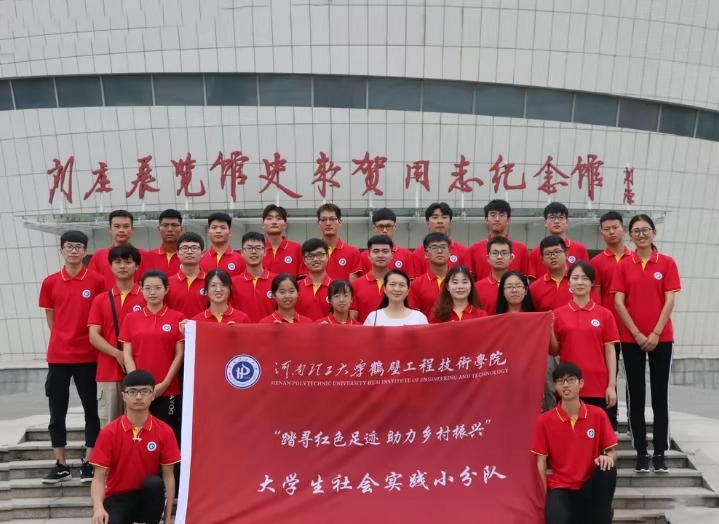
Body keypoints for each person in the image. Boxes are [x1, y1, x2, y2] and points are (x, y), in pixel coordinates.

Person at [611, 215, 681, 473]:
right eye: (636, 231)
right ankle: (641, 451)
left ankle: (660, 452)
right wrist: (638, 334)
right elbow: (619, 303)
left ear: (654, 233)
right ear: (630, 235)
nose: (641, 235)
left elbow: (669, 300)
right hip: (632, 339)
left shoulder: (667, 262)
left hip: (662, 338)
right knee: (636, 395)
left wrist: (655, 333)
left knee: (660, 396)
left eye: (645, 230)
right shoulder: (623, 265)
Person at [39, 231, 105, 484]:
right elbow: (51, 319)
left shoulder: (97, 280)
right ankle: (61, 464)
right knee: (57, 411)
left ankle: (89, 462)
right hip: (58, 357)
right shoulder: (50, 282)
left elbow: (101, 316)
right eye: (69, 246)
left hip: (88, 356)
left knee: (92, 410)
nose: (74, 251)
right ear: (61, 250)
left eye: (79, 247)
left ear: (85, 251)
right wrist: (63, 338)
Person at [89, 370, 180, 524]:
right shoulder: (109, 432)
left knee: (154, 483)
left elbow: (169, 477)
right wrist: (98, 508)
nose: (138, 397)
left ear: (153, 395)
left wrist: (168, 519)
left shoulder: (164, 431)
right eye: (132, 392)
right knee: (111, 521)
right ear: (123, 396)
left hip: (148, 498)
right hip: (117, 497)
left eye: (145, 391)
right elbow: (98, 478)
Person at [532, 362, 618, 524]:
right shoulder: (544, 420)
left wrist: (607, 457)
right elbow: (540, 462)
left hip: (589, 485)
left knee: (608, 469)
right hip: (561, 488)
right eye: (560, 381)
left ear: (581, 383)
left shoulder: (598, 414)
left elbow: (612, 452)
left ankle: (601, 514)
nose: (566, 385)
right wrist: (543, 498)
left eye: (571, 380)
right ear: (555, 386)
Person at [120, 270, 185, 439]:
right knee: (139, 432)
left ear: (166, 289)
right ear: (141, 289)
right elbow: (127, 355)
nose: (152, 292)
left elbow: (179, 354)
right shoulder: (131, 319)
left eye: (157, 288)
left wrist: (165, 383)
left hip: (168, 388)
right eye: (147, 288)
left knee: (168, 432)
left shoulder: (177, 317)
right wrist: (138, 384)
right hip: (139, 392)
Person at [550, 261, 619, 418]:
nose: (580, 282)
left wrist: (611, 386)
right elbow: (554, 351)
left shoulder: (605, 315)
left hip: (597, 385)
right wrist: (549, 329)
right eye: (575, 278)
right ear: (569, 282)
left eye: (585, 278)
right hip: (568, 384)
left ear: (593, 283)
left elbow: (610, 351)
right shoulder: (558, 314)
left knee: (596, 430)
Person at [88, 244, 146, 429]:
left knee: (139, 425)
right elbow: (93, 336)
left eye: (128, 262)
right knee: (110, 426)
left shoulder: (147, 297)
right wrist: (117, 354)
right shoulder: (100, 300)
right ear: (110, 266)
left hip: (141, 371)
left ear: (137, 266)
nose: (122, 266)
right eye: (117, 262)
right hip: (108, 373)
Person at [590, 211, 632, 431]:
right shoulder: (596, 262)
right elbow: (596, 296)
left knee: (634, 376)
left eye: (615, 227)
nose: (611, 232)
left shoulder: (635, 259)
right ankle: (610, 421)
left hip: (633, 329)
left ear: (623, 230)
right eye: (607, 229)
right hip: (608, 329)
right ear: (601, 234)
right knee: (609, 375)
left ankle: (634, 420)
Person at [530, 236, 600, 313]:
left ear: (566, 255)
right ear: (542, 259)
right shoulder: (534, 289)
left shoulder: (582, 282)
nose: (553, 256)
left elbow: (596, 309)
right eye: (547, 254)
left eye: (557, 252)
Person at [468, 199, 530, 279]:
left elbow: (524, 280)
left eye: (502, 215)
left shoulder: (521, 249)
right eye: (493, 215)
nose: (497, 219)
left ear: (508, 220)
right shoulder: (474, 249)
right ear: (486, 220)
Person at [528, 203, 589, 281]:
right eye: (552, 217)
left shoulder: (580, 249)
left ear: (567, 222)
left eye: (561, 217)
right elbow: (533, 283)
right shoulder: (536, 252)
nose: (556, 221)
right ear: (545, 222)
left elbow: (587, 277)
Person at [89, 210, 145, 289]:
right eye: (117, 226)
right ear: (110, 229)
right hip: (106, 297)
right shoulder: (99, 256)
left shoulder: (143, 255)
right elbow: (92, 283)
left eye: (126, 226)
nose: (121, 230)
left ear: (132, 229)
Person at [411, 202, 468, 277]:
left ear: (450, 223)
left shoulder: (463, 251)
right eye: (435, 217)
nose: (440, 221)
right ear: (427, 223)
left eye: (444, 217)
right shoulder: (417, 253)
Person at [231, 232, 277, 323]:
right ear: (242, 252)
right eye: (249, 248)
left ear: (265, 252)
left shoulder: (277, 281)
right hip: (242, 331)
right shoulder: (233, 282)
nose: (253, 252)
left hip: (269, 331)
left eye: (258, 248)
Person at [350, 235, 394, 323]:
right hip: (365, 331)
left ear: (392, 255)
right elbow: (353, 319)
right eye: (376, 251)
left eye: (385, 251)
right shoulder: (356, 284)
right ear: (369, 255)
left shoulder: (400, 284)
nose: (380, 255)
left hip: (393, 331)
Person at [408, 233, 451, 318]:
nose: (439, 251)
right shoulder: (417, 284)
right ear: (426, 254)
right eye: (434, 247)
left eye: (443, 247)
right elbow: (414, 316)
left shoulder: (459, 281)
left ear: (449, 252)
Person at [360, 208, 414, 276]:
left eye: (388, 226)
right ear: (374, 228)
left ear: (395, 227)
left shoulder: (407, 255)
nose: (385, 230)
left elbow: (410, 281)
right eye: (381, 226)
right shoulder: (363, 256)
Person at [364, 270, 429, 326]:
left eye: (402, 285)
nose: (397, 289)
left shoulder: (419, 318)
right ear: (385, 289)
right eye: (392, 284)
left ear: (408, 290)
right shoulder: (374, 317)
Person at [166, 232, 207, 319]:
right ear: (177, 253)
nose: (189, 252)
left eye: (194, 248)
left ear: (202, 253)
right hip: (176, 327)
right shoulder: (168, 283)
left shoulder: (210, 282)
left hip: (203, 327)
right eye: (184, 248)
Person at [316, 203, 362, 281]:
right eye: (323, 220)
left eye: (332, 219)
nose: (328, 223)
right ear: (318, 224)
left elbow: (352, 286)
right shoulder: (312, 253)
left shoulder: (352, 252)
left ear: (340, 222)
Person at [262, 204, 304, 277]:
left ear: (285, 225)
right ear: (263, 225)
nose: (274, 222)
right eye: (269, 218)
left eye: (279, 218)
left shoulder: (297, 249)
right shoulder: (257, 250)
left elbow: (302, 278)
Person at [475, 236, 513, 315]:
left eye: (504, 253)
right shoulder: (477, 288)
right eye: (495, 253)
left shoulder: (519, 286)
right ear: (488, 258)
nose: (499, 257)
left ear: (511, 258)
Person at [296, 239, 333, 321]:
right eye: (310, 256)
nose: (315, 259)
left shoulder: (336, 287)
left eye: (320, 255)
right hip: (302, 329)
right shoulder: (295, 288)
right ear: (304, 260)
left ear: (327, 256)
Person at [199, 212, 245, 277]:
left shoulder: (240, 259)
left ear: (230, 232)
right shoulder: (200, 259)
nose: (218, 231)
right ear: (208, 232)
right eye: (214, 228)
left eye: (223, 228)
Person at [140, 209, 184, 276]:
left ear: (181, 229)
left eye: (174, 225)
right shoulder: (148, 257)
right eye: (165, 225)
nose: (170, 229)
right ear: (159, 228)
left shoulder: (189, 256)